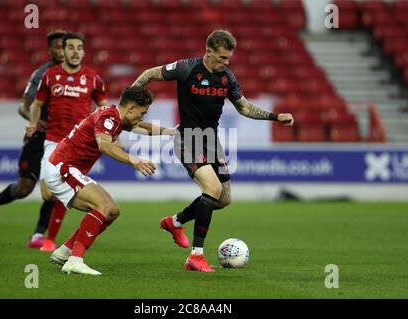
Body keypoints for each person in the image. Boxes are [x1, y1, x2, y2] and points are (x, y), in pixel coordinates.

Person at [132, 30, 294, 272]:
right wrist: (129, 99)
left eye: (229, 58)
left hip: (211, 140)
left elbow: (244, 108)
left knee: (223, 199)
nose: (226, 63)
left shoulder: (227, 78)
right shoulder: (187, 68)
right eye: (221, 58)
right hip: (186, 138)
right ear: (208, 52)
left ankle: (174, 222)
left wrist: (275, 117)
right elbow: (148, 74)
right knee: (213, 189)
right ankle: (195, 256)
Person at [36, 86, 173, 275]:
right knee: (104, 207)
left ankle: (65, 251)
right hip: (63, 167)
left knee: (112, 212)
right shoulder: (108, 117)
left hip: (65, 168)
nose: (142, 118)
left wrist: (170, 132)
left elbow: (142, 127)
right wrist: (134, 160)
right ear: (131, 108)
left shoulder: (118, 117)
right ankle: (75, 260)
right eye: (142, 113)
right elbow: (105, 145)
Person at [0, 30, 66, 249]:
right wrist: (34, 122)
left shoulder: (79, 78)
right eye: (57, 47)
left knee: (53, 189)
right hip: (38, 137)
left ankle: (38, 235)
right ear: (49, 49)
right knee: (24, 189)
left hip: (60, 139)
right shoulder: (41, 74)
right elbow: (24, 106)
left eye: (65, 46)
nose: (61, 51)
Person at [26, 31, 109, 252]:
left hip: (78, 144)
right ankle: (94, 210)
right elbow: (36, 104)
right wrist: (33, 124)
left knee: (65, 187)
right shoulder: (49, 76)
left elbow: (103, 108)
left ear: (83, 52)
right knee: (48, 193)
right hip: (53, 141)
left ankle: (51, 240)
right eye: (70, 47)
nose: (75, 52)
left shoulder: (93, 78)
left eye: (79, 48)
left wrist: (110, 131)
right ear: (63, 51)